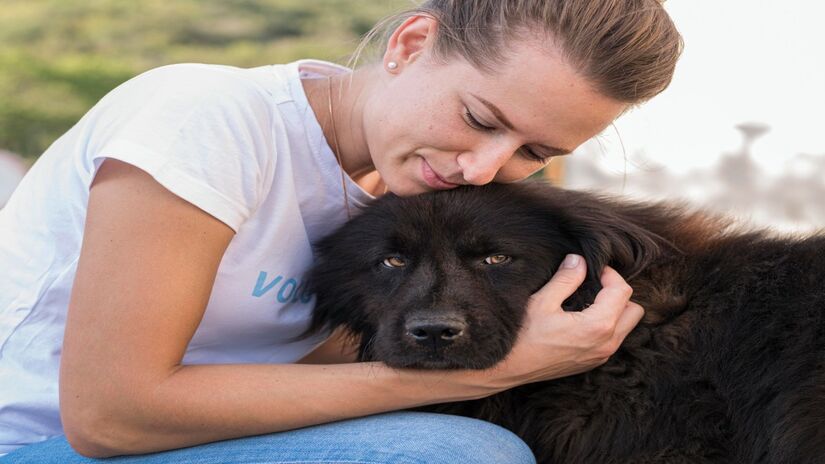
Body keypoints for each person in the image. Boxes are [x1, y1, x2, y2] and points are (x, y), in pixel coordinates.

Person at [0, 0, 682, 462]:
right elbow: (109, 415)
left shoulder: (404, 193)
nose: (485, 166)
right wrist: (490, 371)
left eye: (534, 154)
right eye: (477, 118)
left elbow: (312, 370)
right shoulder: (210, 120)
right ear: (412, 44)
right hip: (37, 441)